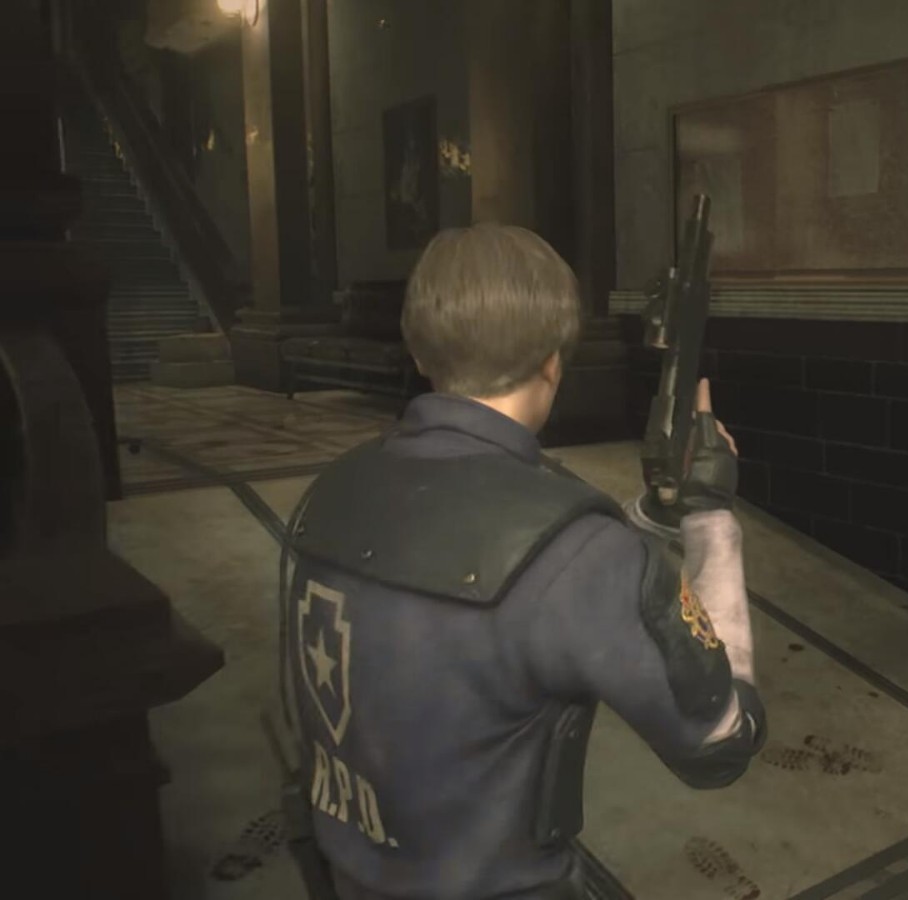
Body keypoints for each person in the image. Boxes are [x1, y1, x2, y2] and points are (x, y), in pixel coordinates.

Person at [280, 224, 765, 899]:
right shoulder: (581, 553)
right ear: (552, 364)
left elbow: (505, 558)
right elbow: (720, 741)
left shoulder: (328, 492)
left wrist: (637, 530)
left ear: (419, 351)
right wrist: (711, 515)